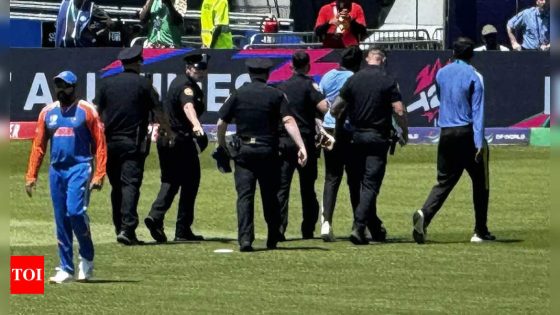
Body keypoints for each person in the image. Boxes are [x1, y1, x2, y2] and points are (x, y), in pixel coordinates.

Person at [216, 58, 308, 252]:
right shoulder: (276, 95)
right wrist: (301, 146)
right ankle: (273, 236)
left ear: (249, 74)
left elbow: (221, 123)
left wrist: (222, 145)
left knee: (245, 197)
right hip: (268, 151)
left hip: (244, 152)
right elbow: (289, 121)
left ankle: (245, 240)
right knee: (271, 196)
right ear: (267, 74)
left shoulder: (238, 94)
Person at [25, 71, 106, 283]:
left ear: (74, 87)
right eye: (58, 86)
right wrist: (31, 174)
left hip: (80, 167)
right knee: (61, 219)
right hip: (57, 170)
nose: (61, 90)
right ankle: (66, 268)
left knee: (75, 212)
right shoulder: (47, 113)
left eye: (65, 86)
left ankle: (87, 257)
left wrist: (100, 173)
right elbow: (39, 145)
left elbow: (100, 143)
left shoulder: (87, 111)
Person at [412, 37, 494, 244]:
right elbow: (478, 111)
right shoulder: (475, 75)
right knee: (480, 183)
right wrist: (478, 142)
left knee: (445, 181)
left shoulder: (441, 73)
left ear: (454, 53)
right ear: (471, 54)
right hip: (466, 132)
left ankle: (425, 213)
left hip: (446, 132)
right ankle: (480, 230)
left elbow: (441, 98)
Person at [94, 46, 173, 246]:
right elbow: (159, 111)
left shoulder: (106, 84)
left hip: (110, 142)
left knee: (117, 187)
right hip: (133, 142)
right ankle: (128, 229)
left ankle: (119, 226)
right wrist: (168, 131)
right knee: (130, 185)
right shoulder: (144, 84)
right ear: (138, 62)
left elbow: (95, 112)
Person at [331, 47, 408, 245]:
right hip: (377, 138)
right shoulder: (388, 81)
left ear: (367, 59)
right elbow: (398, 111)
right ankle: (359, 226)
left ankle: (374, 227)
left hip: (356, 138)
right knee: (371, 185)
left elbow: (334, 108)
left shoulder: (354, 79)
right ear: (382, 61)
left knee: (359, 184)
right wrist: (404, 132)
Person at [144, 53, 209, 243]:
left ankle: (156, 216)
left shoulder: (178, 82)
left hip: (166, 139)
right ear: (188, 68)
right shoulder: (186, 87)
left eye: (203, 69)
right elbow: (188, 107)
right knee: (190, 181)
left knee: (170, 181)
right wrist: (196, 125)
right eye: (197, 69)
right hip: (179, 140)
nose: (201, 73)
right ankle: (182, 228)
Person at [276, 51, 328, 241]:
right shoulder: (309, 85)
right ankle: (308, 228)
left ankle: (279, 228)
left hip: (285, 141)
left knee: (282, 187)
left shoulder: (281, 86)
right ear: (308, 66)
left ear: (291, 66)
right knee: (307, 188)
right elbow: (324, 107)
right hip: (305, 140)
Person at [318, 45, 362, 242]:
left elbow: (323, 102)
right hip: (347, 130)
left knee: (331, 177)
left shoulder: (327, 76)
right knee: (354, 178)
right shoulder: (354, 79)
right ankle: (359, 222)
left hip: (328, 129)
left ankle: (326, 221)